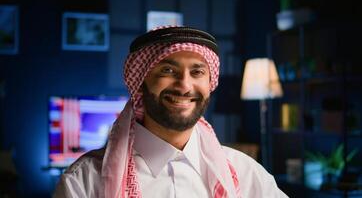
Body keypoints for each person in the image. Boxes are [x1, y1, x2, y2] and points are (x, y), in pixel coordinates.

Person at [54, 26, 288, 198]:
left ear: (210, 84)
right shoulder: (84, 182)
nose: (185, 86)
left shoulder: (245, 173)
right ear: (140, 81)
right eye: (168, 70)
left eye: (197, 72)